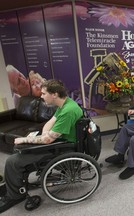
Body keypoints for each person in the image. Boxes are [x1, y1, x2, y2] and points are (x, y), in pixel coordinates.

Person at [0, 79, 83, 213]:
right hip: (56, 142)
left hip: (60, 149)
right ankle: (14, 184)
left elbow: (47, 140)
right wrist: (44, 135)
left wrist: (24, 140)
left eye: (44, 94)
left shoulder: (68, 111)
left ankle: (15, 196)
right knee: (21, 152)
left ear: (54, 94)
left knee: (12, 161)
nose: (41, 96)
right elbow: (50, 122)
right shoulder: (65, 104)